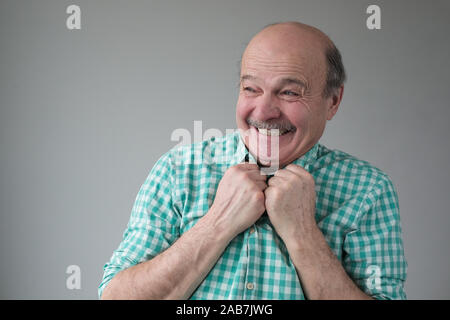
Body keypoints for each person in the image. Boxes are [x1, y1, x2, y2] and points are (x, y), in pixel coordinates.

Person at [99, 21, 407, 300]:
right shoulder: (178, 171)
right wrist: (218, 222)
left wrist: (303, 234)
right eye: (251, 89)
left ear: (333, 101)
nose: (262, 112)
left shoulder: (368, 189)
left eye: (288, 92)